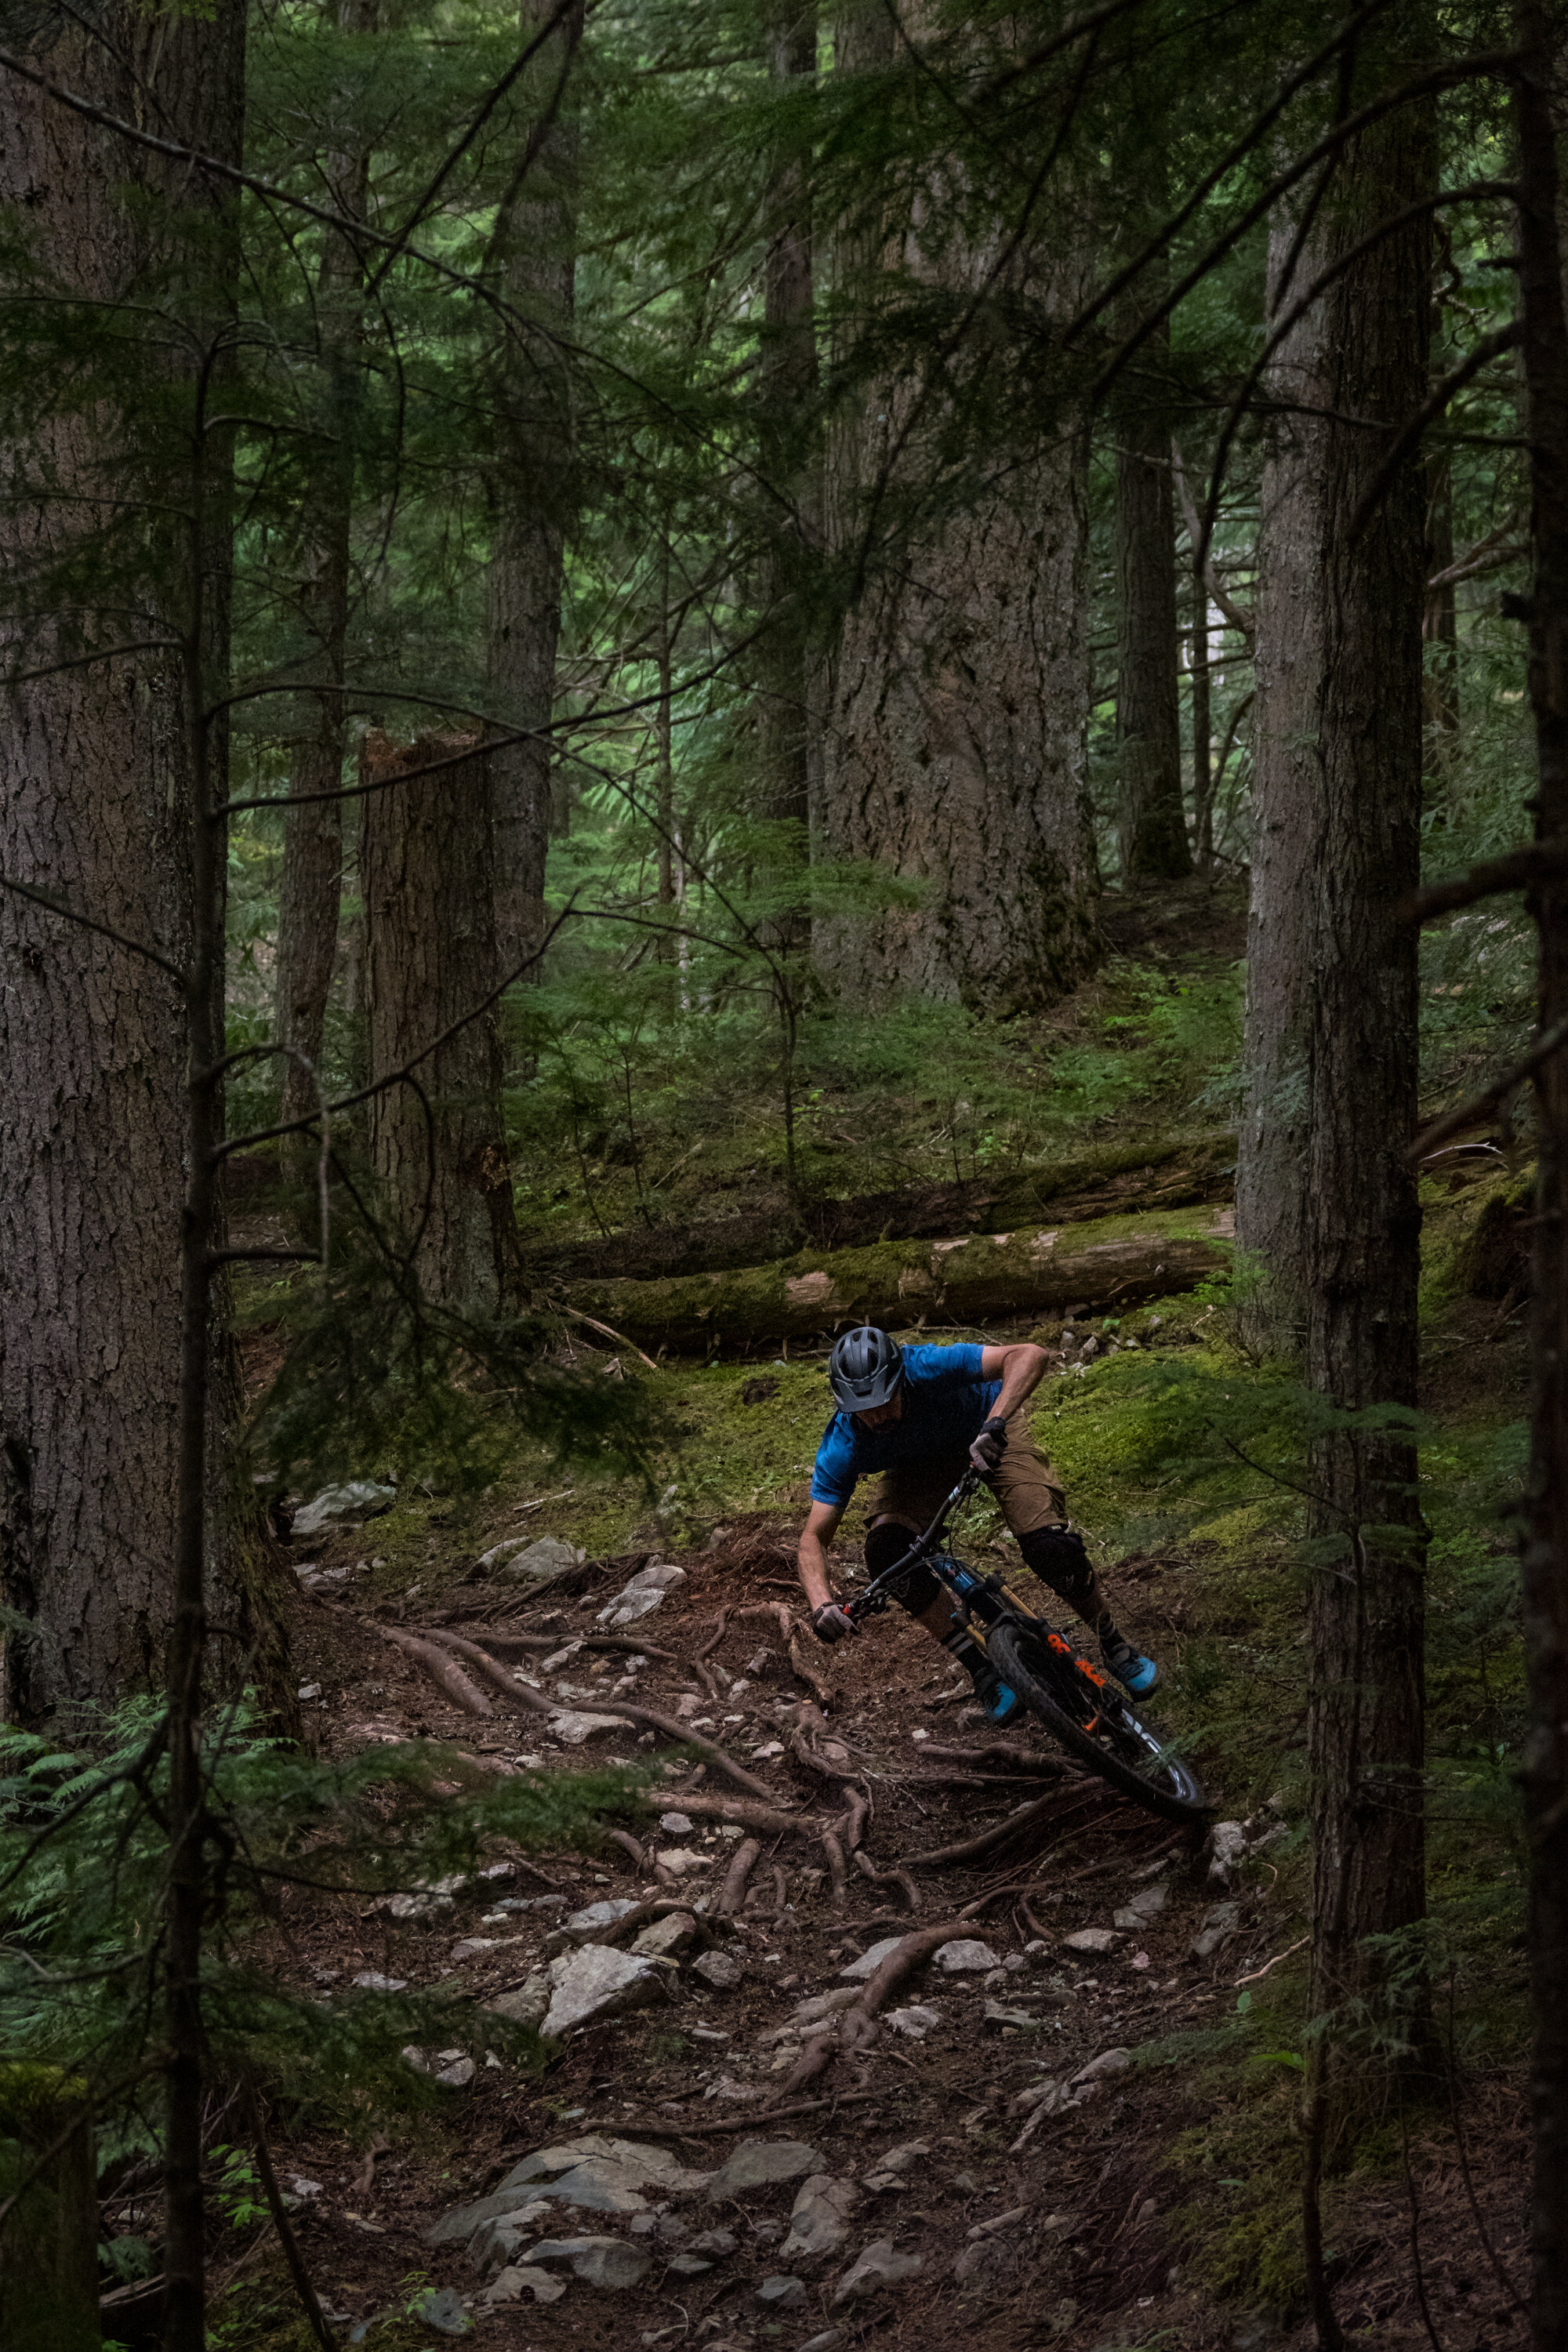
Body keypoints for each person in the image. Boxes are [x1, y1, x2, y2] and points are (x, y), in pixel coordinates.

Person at [794, 1324, 1157, 1722]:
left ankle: (1113, 1642)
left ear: (900, 1379)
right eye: (861, 1409)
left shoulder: (926, 1366)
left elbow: (1028, 1355)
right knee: (887, 1550)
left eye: (883, 1401)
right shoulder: (844, 1443)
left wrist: (996, 1424)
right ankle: (980, 1668)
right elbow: (814, 1538)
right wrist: (821, 1604)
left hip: (989, 1429)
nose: (875, 1415)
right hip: (919, 1467)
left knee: (1048, 1546)